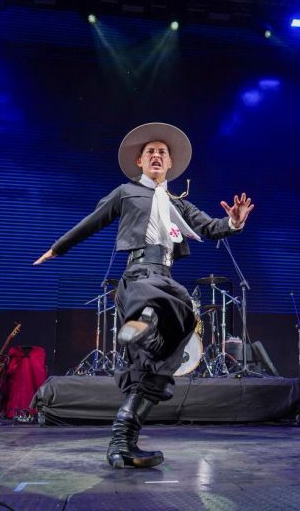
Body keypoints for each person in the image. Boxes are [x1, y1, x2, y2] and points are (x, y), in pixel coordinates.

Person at [34, 122, 254, 468]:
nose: (156, 155)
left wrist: (235, 223)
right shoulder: (125, 192)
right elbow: (91, 222)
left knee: (155, 369)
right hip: (139, 274)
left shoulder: (179, 205)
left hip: (164, 275)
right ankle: (143, 320)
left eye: (162, 153)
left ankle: (122, 444)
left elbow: (211, 228)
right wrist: (56, 249)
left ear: (169, 165)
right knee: (159, 299)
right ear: (140, 161)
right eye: (150, 151)